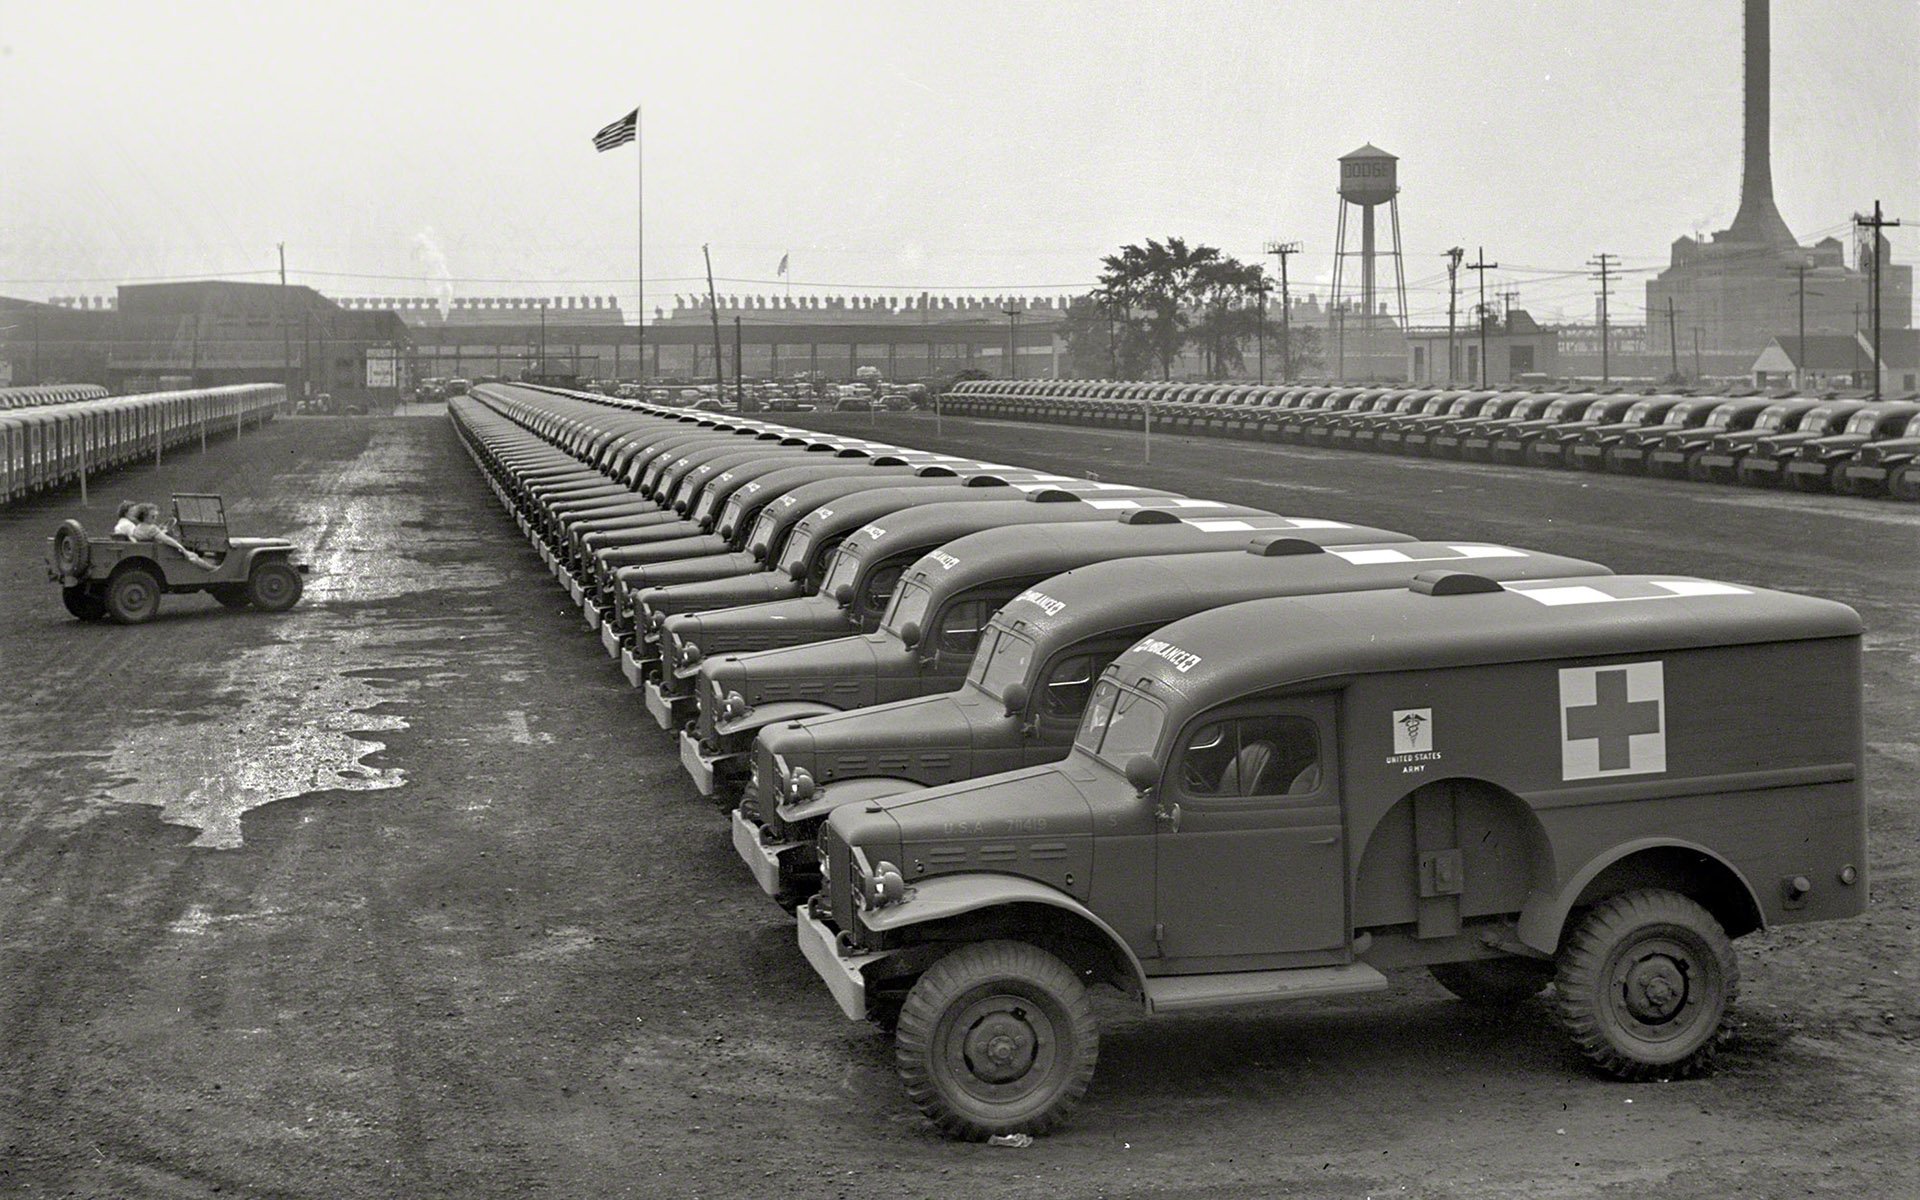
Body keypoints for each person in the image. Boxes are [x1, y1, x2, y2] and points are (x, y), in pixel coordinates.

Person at [122, 502, 218, 570]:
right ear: (145, 517)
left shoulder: (138, 527)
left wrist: (162, 530)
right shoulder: (152, 528)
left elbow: (154, 535)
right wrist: (184, 550)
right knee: (194, 556)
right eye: (153, 517)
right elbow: (168, 540)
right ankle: (213, 569)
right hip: (165, 556)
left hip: (152, 553)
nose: (155, 519)